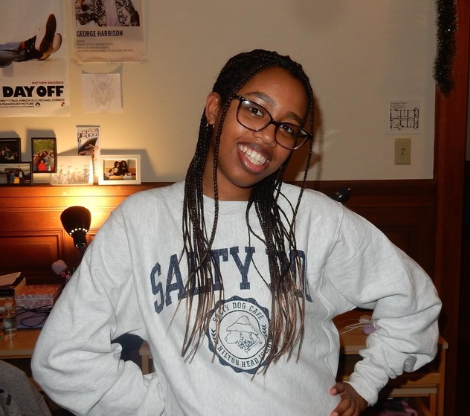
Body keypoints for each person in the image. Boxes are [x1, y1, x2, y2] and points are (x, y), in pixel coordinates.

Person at [31, 49, 441, 416]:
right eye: (255, 110)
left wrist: (367, 384)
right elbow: (63, 358)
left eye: (288, 128)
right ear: (214, 109)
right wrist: (159, 405)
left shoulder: (316, 219)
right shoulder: (141, 223)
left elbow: (415, 302)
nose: (268, 137)